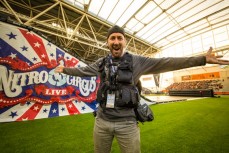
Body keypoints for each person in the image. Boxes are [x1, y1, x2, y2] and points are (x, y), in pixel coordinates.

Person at [55, 25, 229, 153]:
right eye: (112, 38)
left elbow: (167, 62)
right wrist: (64, 69)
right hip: (101, 122)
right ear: (107, 42)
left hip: (127, 124)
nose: (116, 41)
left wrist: (202, 59)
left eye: (119, 38)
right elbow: (83, 71)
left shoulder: (138, 61)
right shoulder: (101, 63)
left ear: (125, 41)